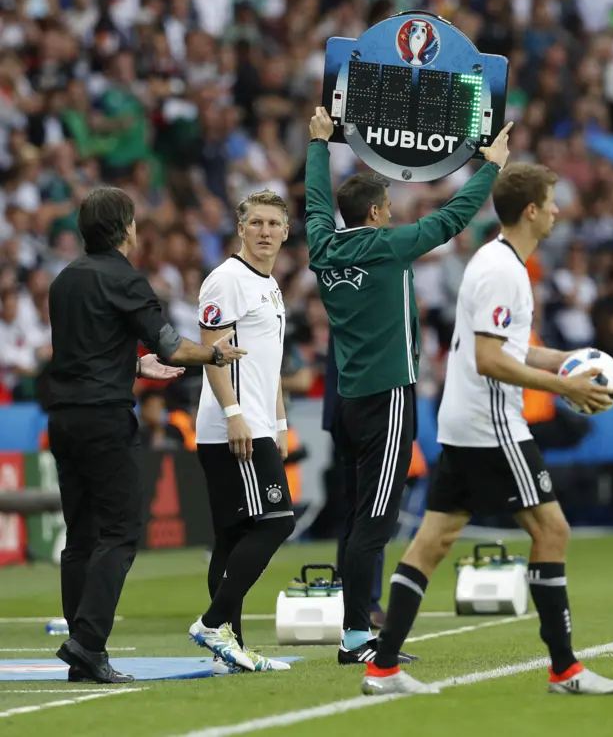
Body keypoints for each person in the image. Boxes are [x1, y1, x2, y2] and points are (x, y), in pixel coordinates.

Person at [361, 162, 613, 696]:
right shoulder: (505, 271)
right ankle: (566, 670)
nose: (557, 210)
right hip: (491, 422)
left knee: (433, 540)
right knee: (552, 531)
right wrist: (566, 388)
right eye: (551, 201)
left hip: (465, 418)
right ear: (531, 210)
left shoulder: (495, 260)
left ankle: (383, 668)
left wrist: (564, 359)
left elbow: (507, 348)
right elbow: (489, 360)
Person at [305, 106, 513, 665]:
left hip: (348, 398)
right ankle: (359, 637)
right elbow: (452, 220)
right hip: (389, 393)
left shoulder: (322, 248)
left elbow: (316, 206)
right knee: (377, 520)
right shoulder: (384, 246)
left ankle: (353, 635)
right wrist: (489, 168)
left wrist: (319, 145)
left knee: (357, 517)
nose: (393, 212)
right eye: (388, 206)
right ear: (375, 212)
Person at [48, 186, 245, 685]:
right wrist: (216, 355)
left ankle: (82, 645)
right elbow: (175, 346)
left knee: (82, 536)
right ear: (125, 228)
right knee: (121, 531)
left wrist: (134, 365)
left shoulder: (64, 280)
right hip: (103, 418)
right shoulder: (125, 279)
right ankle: (88, 643)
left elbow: (86, 349)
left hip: (64, 418)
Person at [189, 189, 295, 673]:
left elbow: (268, 364)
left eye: (274, 223)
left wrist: (280, 422)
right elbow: (213, 352)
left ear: (286, 231)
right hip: (231, 425)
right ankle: (214, 623)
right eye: (257, 223)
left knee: (233, 537)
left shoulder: (269, 284)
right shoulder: (226, 280)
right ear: (240, 227)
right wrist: (235, 413)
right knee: (277, 522)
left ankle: (230, 649)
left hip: (256, 421)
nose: (266, 232)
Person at [323, 331, 387, 630]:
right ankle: (365, 604)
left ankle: (352, 602)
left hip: (342, 411)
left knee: (355, 511)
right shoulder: (368, 308)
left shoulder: (345, 301)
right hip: (364, 410)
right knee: (372, 510)